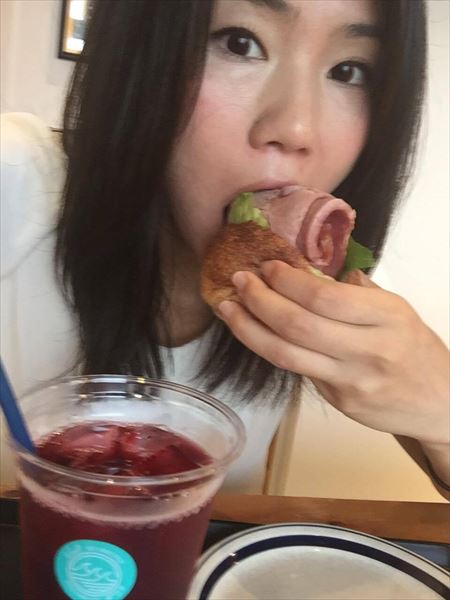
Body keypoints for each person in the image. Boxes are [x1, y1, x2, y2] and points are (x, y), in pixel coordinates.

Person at [1, 0, 449, 497]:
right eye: (241, 43)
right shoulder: (15, 178)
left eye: (349, 70)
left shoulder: (328, 297)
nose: (297, 129)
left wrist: (442, 415)